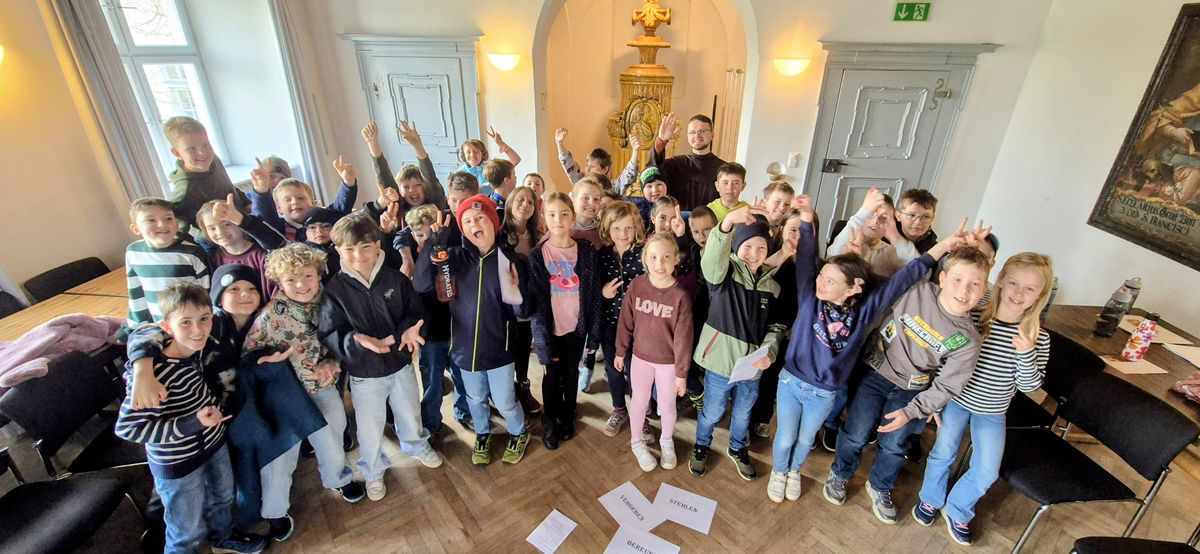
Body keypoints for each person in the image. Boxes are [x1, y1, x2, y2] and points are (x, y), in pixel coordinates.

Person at [768, 201, 966, 503]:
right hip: (791, 382)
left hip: (824, 393)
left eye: (830, 280)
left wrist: (944, 247)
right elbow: (807, 259)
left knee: (806, 439)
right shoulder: (810, 297)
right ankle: (779, 471)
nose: (821, 282)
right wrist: (806, 220)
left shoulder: (863, 314)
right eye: (821, 276)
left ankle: (794, 470)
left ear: (853, 288)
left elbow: (904, 278)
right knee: (785, 438)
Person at [824, 243, 993, 525]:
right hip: (874, 372)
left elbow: (947, 386)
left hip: (911, 391)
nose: (964, 290)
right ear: (942, 279)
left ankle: (879, 485)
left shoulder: (968, 340)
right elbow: (881, 290)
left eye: (975, 284)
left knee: (894, 444)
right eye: (957, 279)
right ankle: (841, 472)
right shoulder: (917, 290)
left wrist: (913, 411)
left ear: (984, 288)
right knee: (855, 432)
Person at [115, 283, 267, 554]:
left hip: (213, 444)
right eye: (185, 322)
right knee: (186, 529)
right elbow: (129, 429)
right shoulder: (155, 373)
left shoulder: (196, 349)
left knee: (223, 498)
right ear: (167, 327)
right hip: (178, 463)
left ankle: (224, 538)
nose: (198, 330)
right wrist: (192, 423)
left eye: (204, 319)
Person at [913, 252, 1053, 545]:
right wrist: (935, 398)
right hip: (957, 400)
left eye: (1030, 288)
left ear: (1040, 295)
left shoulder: (1038, 337)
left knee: (988, 470)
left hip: (993, 411)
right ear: (1000, 280)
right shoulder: (974, 316)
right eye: (1013, 283)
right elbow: (945, 358)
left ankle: (958, 508)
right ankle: (930, 499)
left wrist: (1026, 354)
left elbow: (1029, 386)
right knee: (943, 452)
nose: (1019, 293)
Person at [242, 244, 366, 539]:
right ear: (279, 282)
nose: (301, 285)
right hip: (284, 396)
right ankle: (274, 510)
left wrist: (333, 361)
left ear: (319, 274)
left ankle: (338, 479)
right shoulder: (270, 317)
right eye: (291, 279)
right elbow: (248, 357)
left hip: (321, 386)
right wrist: (267, 363)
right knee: (281, 453)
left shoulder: (332, 303)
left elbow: (343, 340)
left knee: (333, 433)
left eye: (307, 276)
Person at [318, 213, 441, 502]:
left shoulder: (395, 278)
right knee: (369, 428)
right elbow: (330, 331)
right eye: (349, 249)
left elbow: (416, 312)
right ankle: (373, 469)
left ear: (377, 246)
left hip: (400, 364)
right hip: (365, 374)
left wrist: (409, 329)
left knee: (409, 412)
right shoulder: (335, 290)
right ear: (338, 251)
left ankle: (416, 445)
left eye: (364, 247)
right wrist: (356, 341)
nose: (357, 255)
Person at [415, 195, 533, 465]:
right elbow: (421, 284)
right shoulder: (453, 258)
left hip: (500, 349)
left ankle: (519, 431)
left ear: (493, 222)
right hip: (465, 349)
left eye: (480, 218)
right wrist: (434, 243)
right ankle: (482, 432)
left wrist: (519, 290)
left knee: (504, 401)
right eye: (467, 221)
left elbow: (523, 312)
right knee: (475, 398)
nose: (474, 224)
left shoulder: (510, 259)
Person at [689, 205, 788, 481]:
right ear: (736, 246)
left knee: (744, 413)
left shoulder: (772, 286)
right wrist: (727, 224)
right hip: (719, 363)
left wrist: (770, 352)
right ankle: (701, 444)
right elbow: (712, 258)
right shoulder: (723, 274)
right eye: (747, 246)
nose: (754, 253)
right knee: (712, 411)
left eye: (761, 247)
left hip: (751, 368)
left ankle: (737, 447)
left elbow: (776, 327)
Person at [528, 192, 601, 450]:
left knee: (571, 374)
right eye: (552, 214)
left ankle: (567, 414)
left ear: (572, 217)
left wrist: (593, 335)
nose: (558, 219)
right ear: (544, 219)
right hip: (551, 331)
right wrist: (542, 344)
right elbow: (536, 306)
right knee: (551, 376)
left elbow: (594, 296)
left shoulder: (587, 252)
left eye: (564, 214)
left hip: (576, 330)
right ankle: (550, 418)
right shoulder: (538, 256)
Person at [615, 234, 694, 471]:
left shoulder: (680, 297)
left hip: (668, 364)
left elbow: (683, 339)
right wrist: (620, 351)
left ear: (676, 259)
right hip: (640, 358)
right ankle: (636, 441)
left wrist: (681, 373)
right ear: (645, 259)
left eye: (666, 257)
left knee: (667, 404)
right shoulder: (637, 286)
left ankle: (667, 441)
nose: (659, 263)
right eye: (653, 257)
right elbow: (626, 321)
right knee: (639, 401)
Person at [596, 201, 647, 439]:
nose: (623, 234)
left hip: (640, 327)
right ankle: (619, 409)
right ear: (608, 229)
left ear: (636, 228)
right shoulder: (602, 256)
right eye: (617, 228)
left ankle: (641, 414)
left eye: (628, 228)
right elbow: (592, 288)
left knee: (636, 371)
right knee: (613, 369)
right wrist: (602, 292)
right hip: (610, 324)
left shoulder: (645, 254)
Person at [124, 197, 211, 334]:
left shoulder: (193, 252)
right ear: (136, 229)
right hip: (157, 326)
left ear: (177, 223)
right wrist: (135, 327)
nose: (162, 224)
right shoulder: (133, 252)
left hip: (190, 326)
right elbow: (135, 292)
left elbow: (206, 292)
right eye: (151, 220)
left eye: (168, 218)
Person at [162, 116, 249, 240]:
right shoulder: (184, 191)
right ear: (177, 153)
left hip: (243, 226)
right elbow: (178, 231)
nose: (202, 152)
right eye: (192, 149)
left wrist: (246, 202)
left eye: (205, 145)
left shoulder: (213, 160)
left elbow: (228, 186)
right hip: (219, 241)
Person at [498, 186, 544, 414]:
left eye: (530, 202)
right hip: (505, 304)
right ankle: (505, 394)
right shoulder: (499, 234)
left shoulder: (537, 235)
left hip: (529, 303)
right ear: (510, 203)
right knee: (507, 349)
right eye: (520, 200)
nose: (525, 205)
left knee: (524, 347)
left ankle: (523, 386)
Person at [247, 157, 358, 243]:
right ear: (278, 208)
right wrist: (261, 191)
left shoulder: (324, 218)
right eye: (288, 200)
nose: (295, 202)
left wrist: (348, 183)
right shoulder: (280, 228)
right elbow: (265, 220)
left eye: (300, 198)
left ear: (312, 203)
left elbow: (339, 208)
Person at [650, 112, 726, 210]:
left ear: (712, 134)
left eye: (702, 131)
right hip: (677, 218)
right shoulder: (676, 164)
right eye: (692, 132)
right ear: (687, 136)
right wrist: (661, 141)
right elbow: (653, 171)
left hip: (712, 219)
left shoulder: (723, 169)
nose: (697, 135)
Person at [554, 127, 641, 193]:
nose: (587, 170)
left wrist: (635, 150)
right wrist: (559, 144)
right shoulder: (581, 182)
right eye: (586, 166)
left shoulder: (613, 187)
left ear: (604, 169)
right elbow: (569, 165)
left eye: (592, 166)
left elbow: (628, 176)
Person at [459, 127, 521, 195]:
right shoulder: (460, 173)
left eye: (476, 151)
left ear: (482, 153)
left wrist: (501, 144)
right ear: (463, 154)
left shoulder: (492, 167)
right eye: (468, 152)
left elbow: (515, 159)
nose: (472, 155)